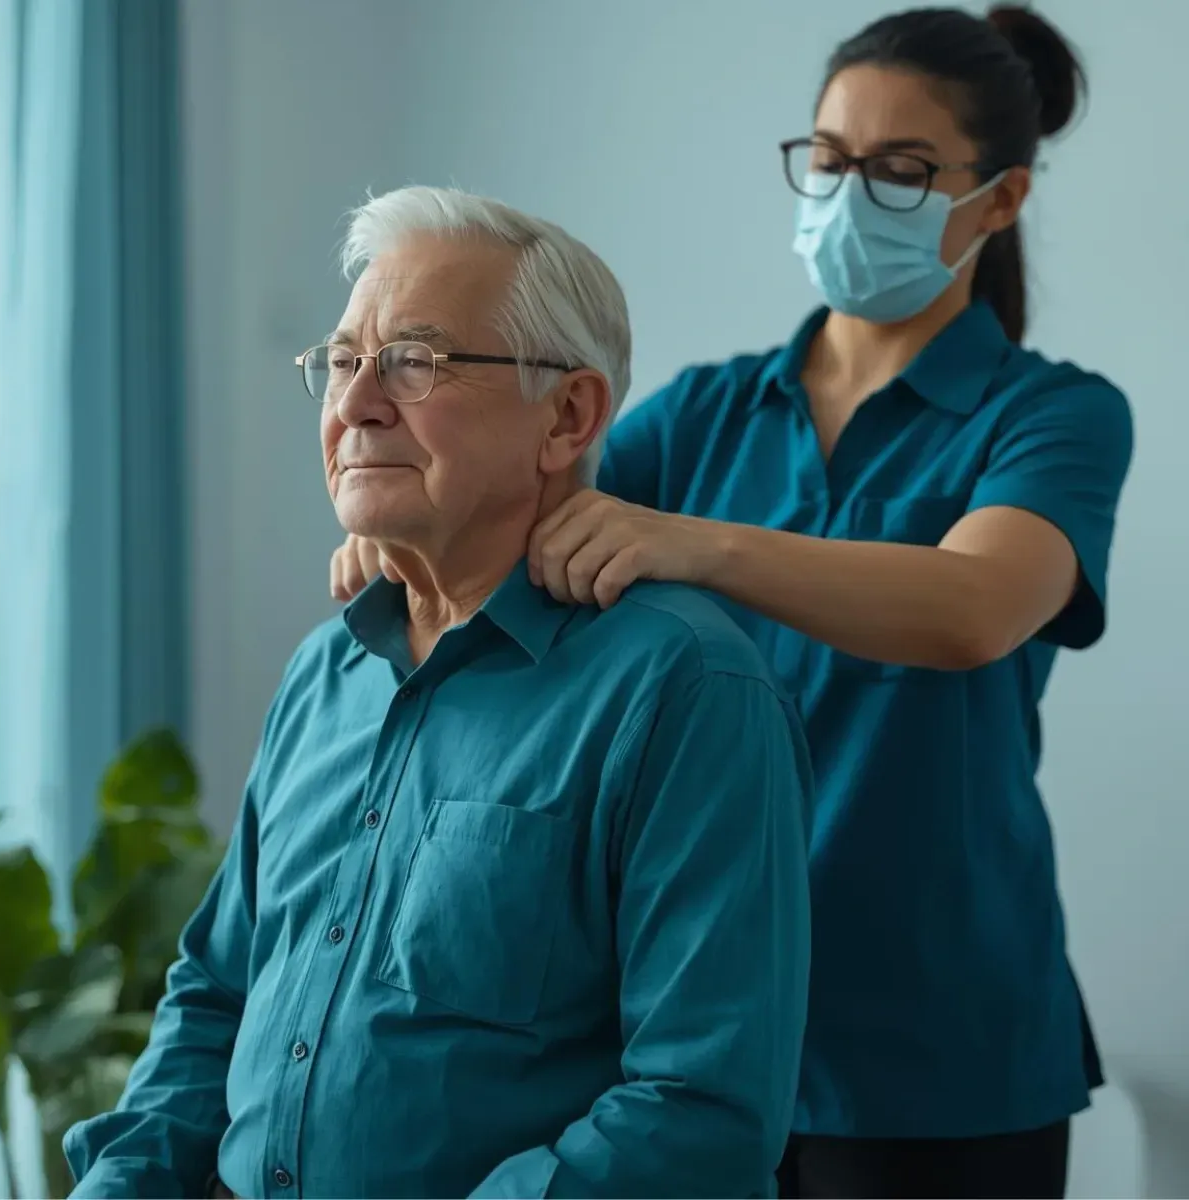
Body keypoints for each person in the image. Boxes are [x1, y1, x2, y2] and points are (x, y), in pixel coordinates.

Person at [331, 7, 1134, 1198]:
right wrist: (402, 524)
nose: (850, 195)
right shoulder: (709, 411)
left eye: (900, 171)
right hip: (679, 1025)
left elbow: (974, 607)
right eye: (830, 158)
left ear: (1000, 199)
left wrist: (697, 545)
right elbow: (514, 522)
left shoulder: (1053, 415)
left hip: (931, 1046)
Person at [64, 189, 814, 1198]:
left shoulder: (686, 689)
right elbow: (214, 994)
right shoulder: (325, 672)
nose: (357, 404)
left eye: (415, 361)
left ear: (568, 416)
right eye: (343, 362)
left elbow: (699, 1112)